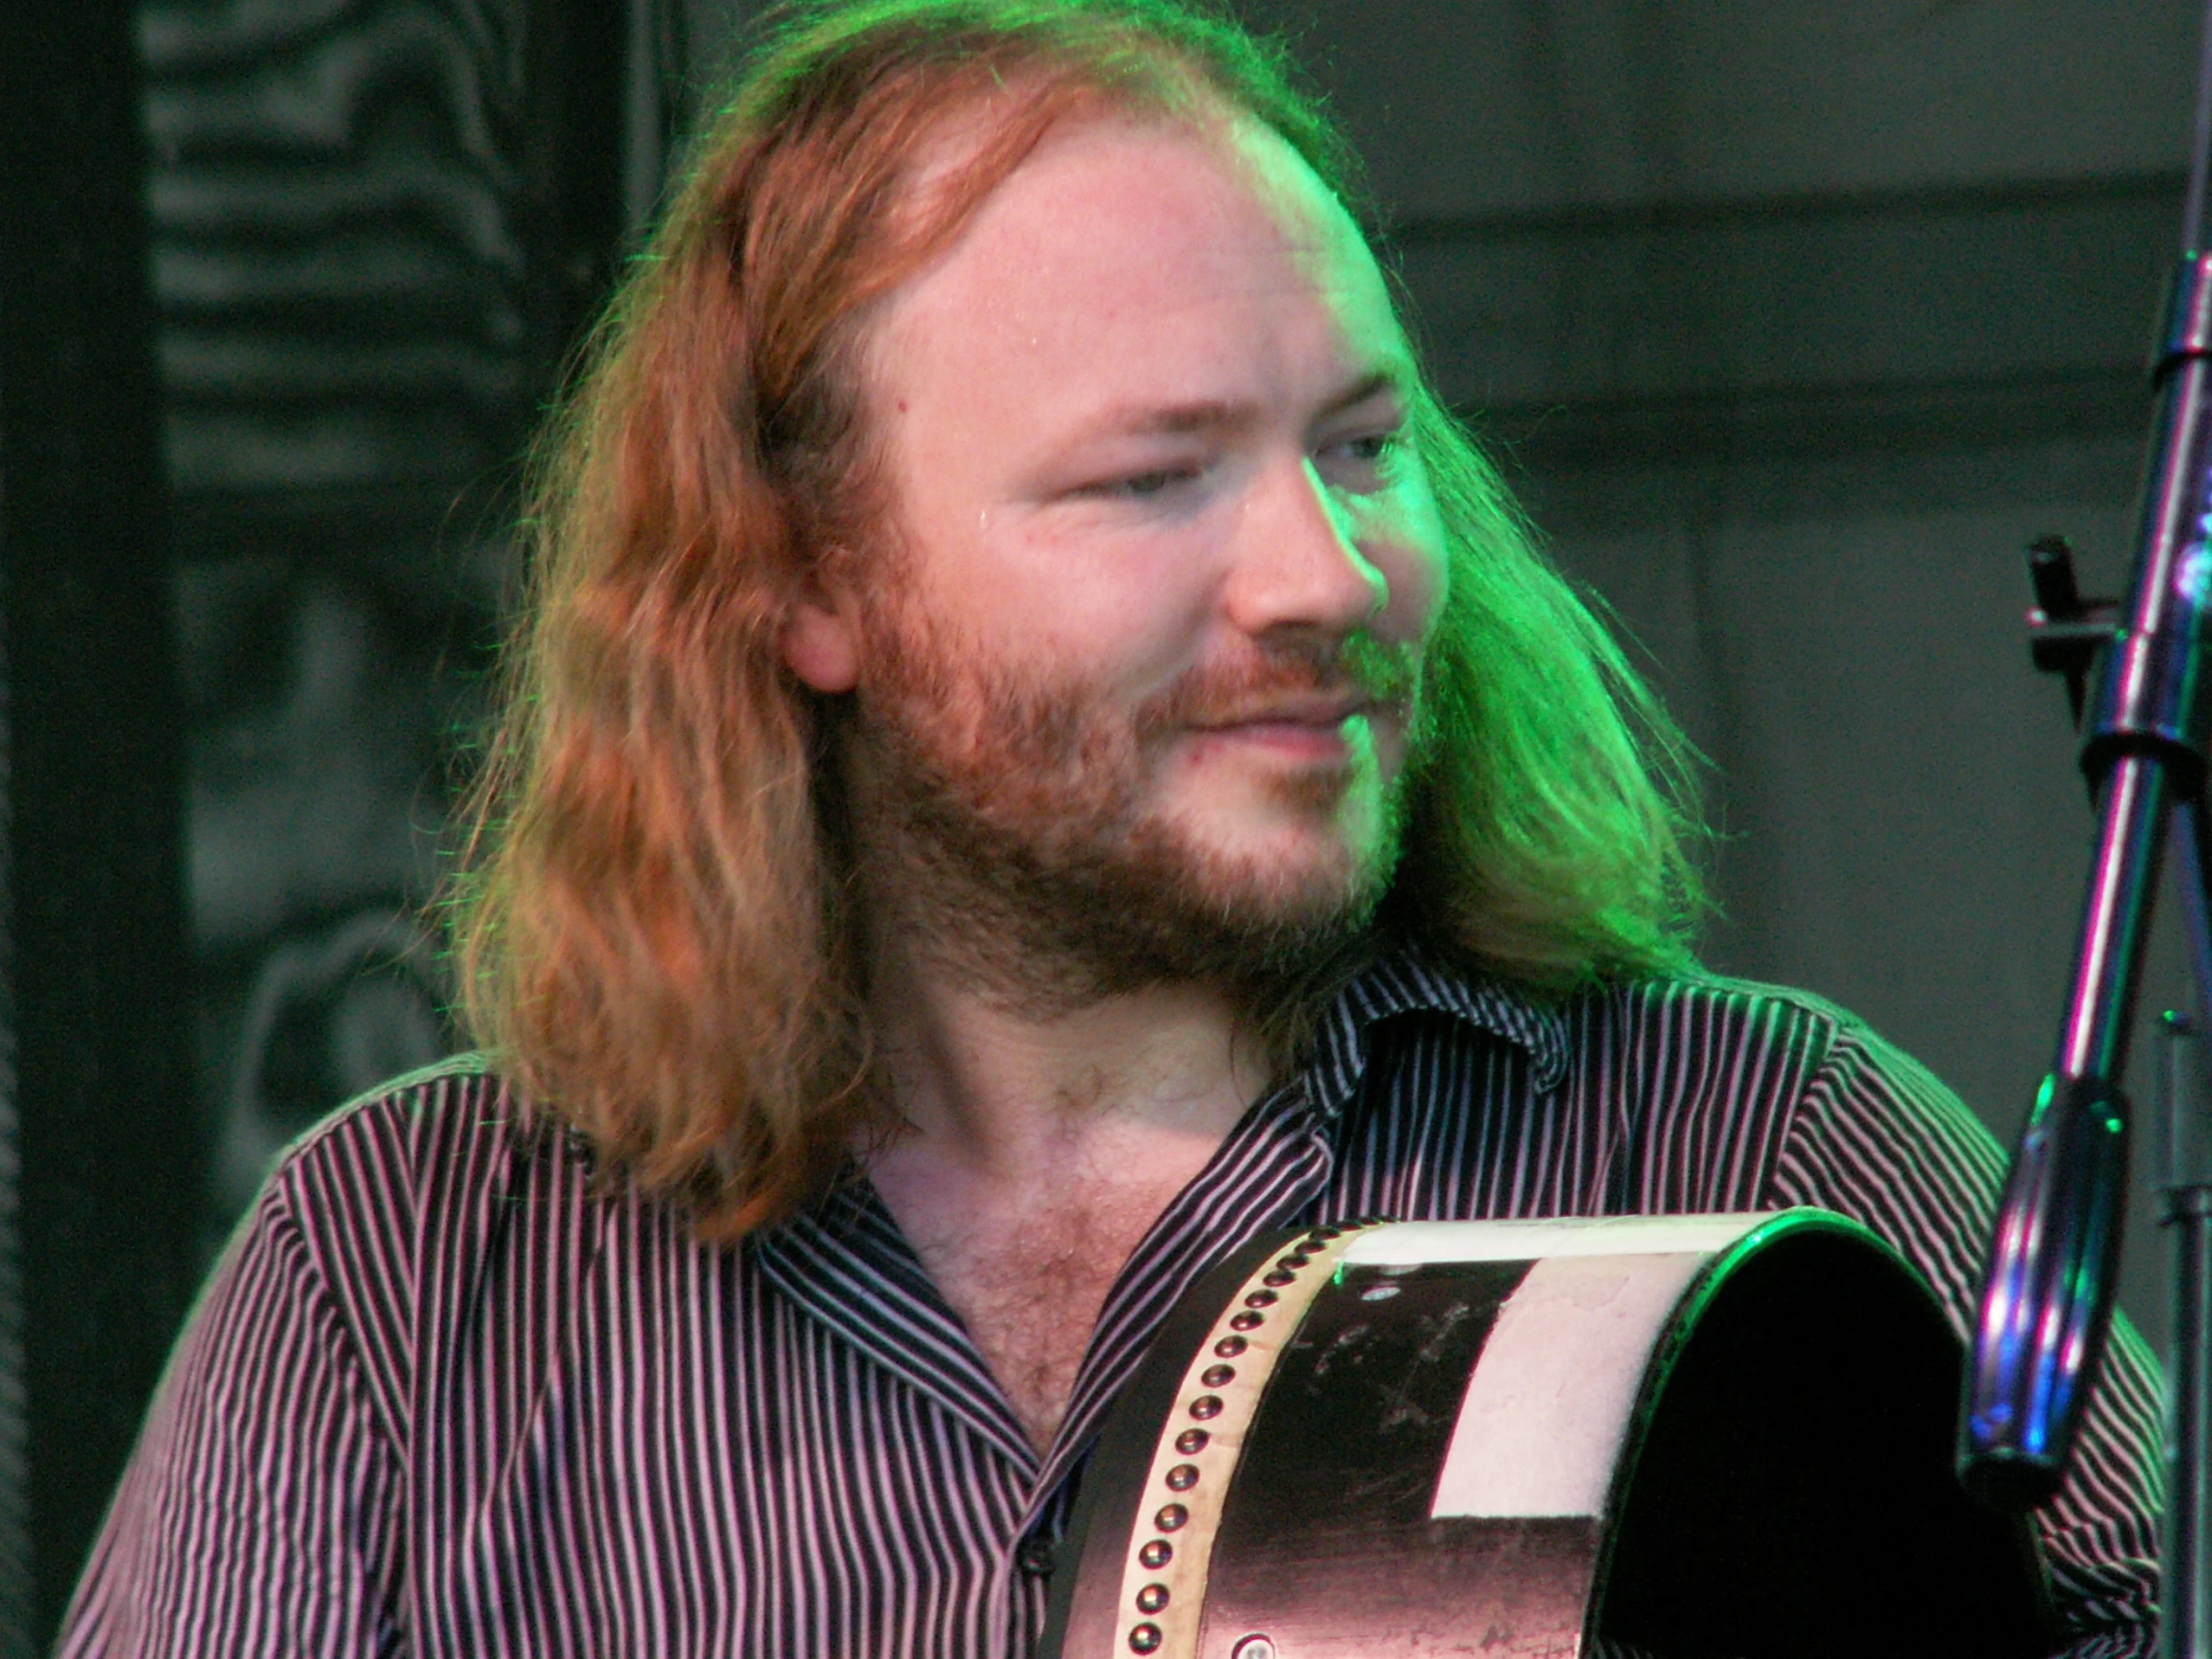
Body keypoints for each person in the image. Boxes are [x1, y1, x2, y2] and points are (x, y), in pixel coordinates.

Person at [61, 1, 2159, 1654]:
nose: (1327, 579)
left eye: (1360, 445)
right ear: (808, 586)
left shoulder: (1756, 1148)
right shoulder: (409, 1279)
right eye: (1154, 480)